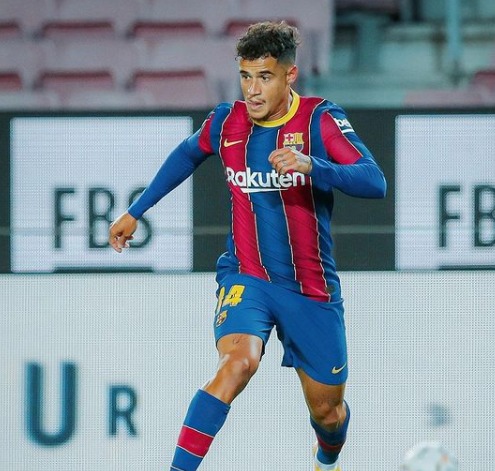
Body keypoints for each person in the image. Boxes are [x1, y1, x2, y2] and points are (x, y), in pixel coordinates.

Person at [109, 21, 386, 471]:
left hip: (311, 289)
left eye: (265, 77)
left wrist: (313, 166)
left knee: (328, 414)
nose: (252, 90)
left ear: (290, 75)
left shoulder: (318, 119)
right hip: (247, 275)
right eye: (245, 76)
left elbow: (374, 182)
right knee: (236, 364)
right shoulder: (226, 121)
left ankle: (327, 459)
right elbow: (187, 154)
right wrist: (136, 210)